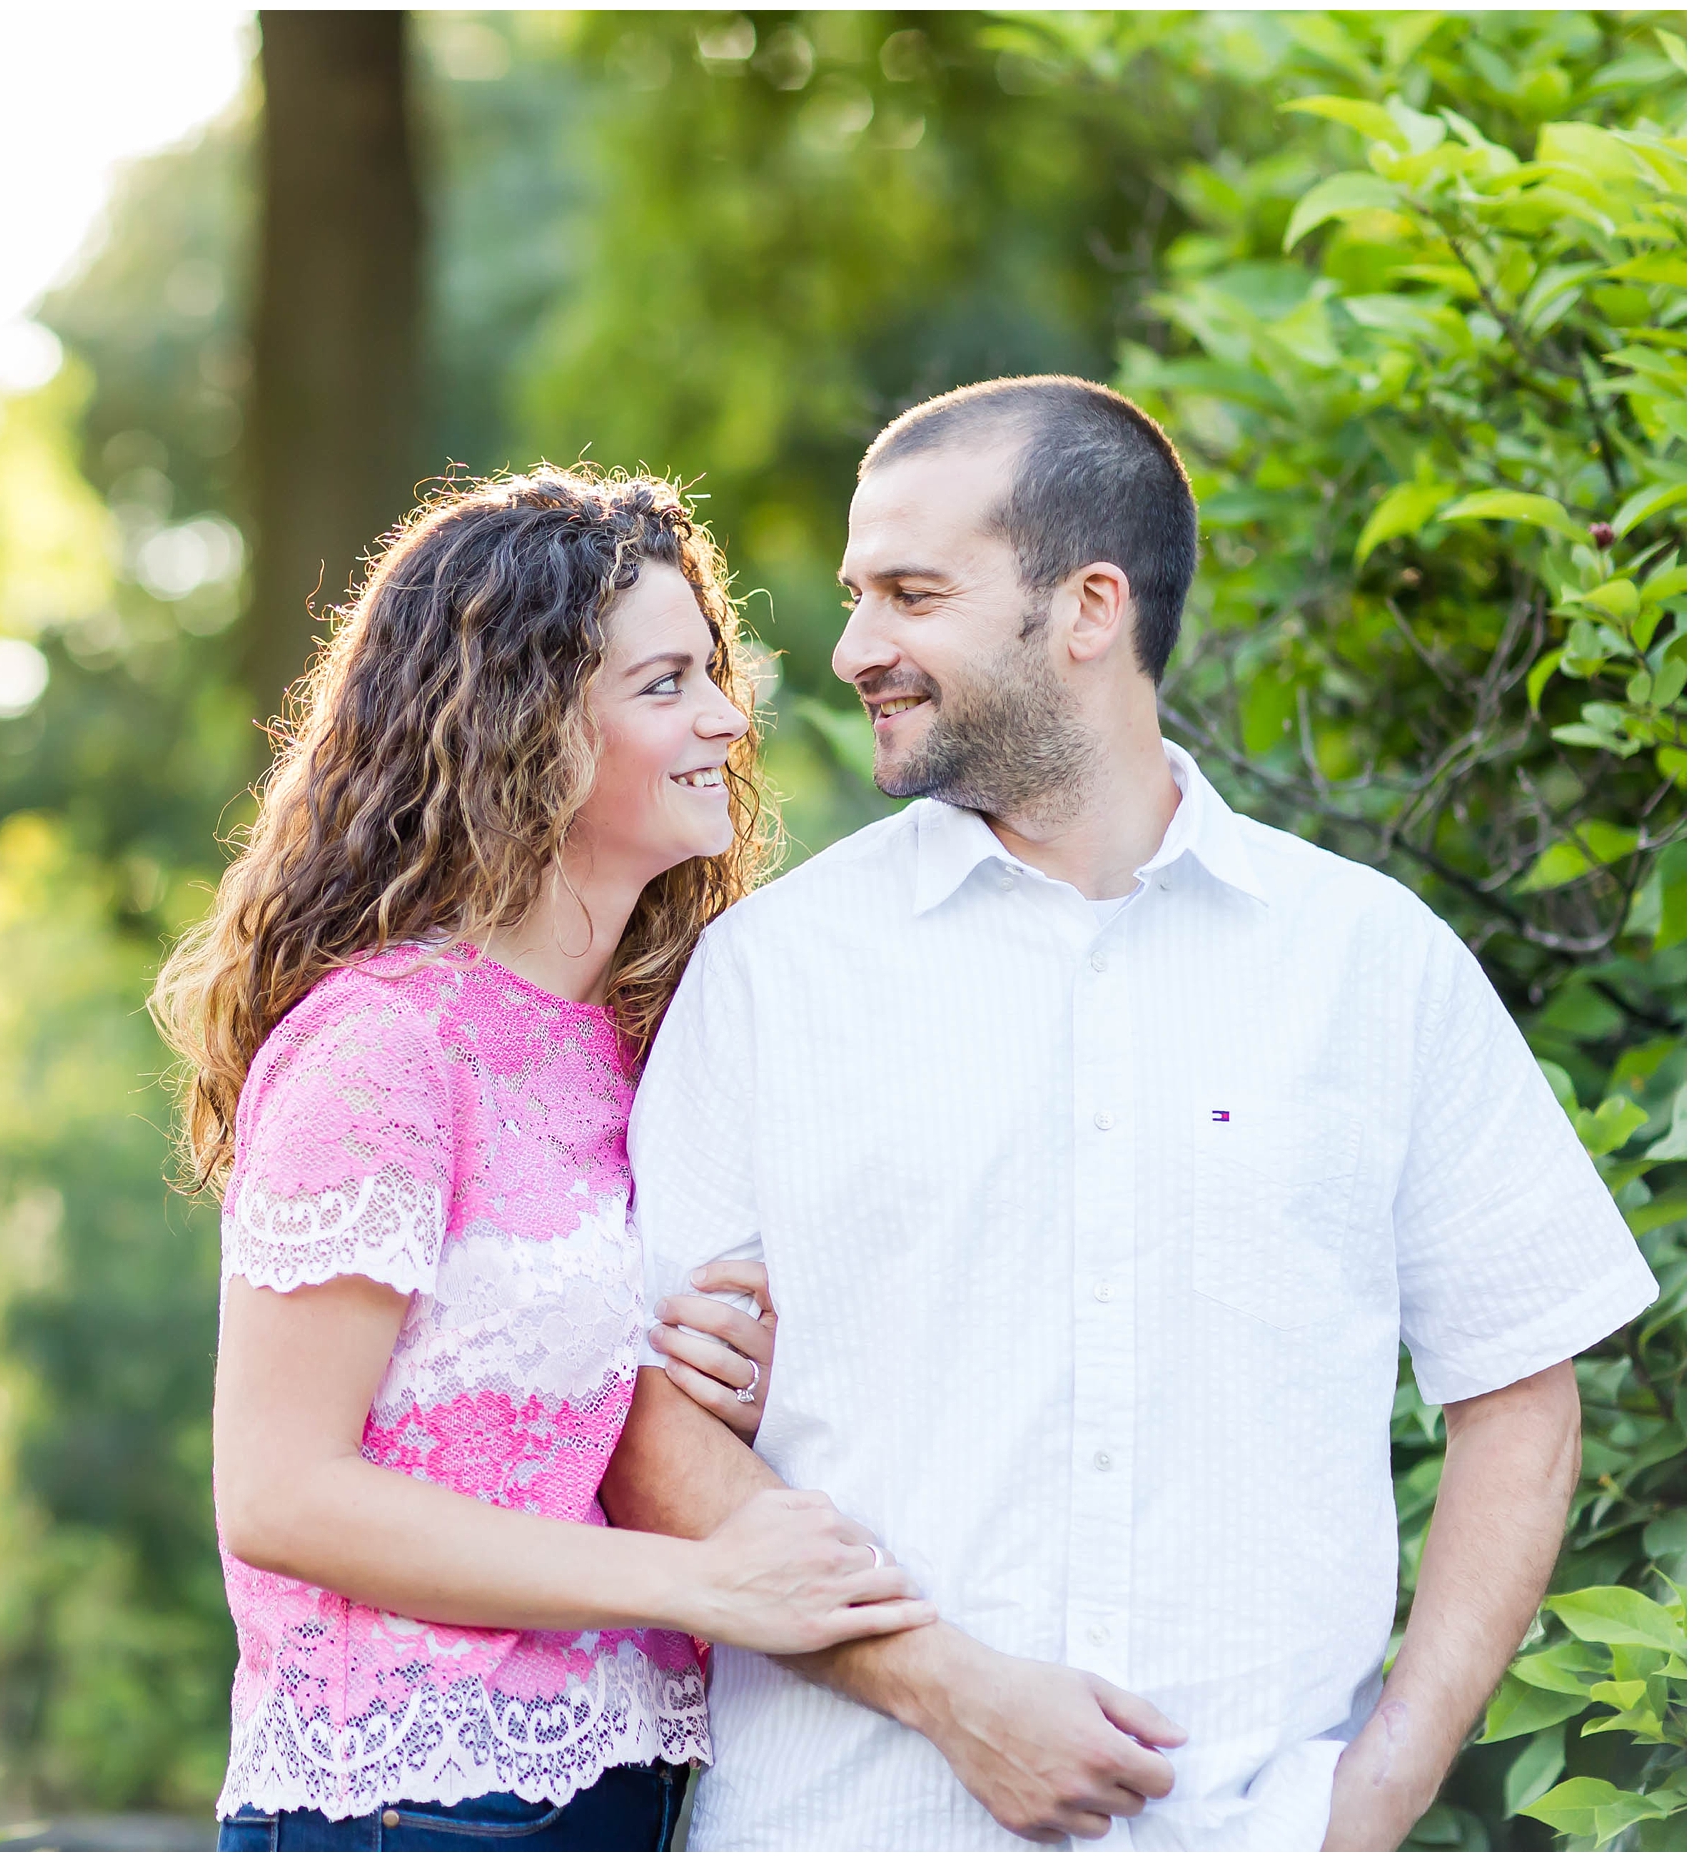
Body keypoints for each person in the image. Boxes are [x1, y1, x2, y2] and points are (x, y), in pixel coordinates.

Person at [609, 375, 1659, 1851]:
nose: (854, 649)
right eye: (858, 594)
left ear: (1089, 606)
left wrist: (1375, 1795)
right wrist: (947, 1691)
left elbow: (1521, 1396)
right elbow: (645, 1428)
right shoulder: (772, 977)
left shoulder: (1370, 963)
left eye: (912, 593)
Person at [154, 468, 938, 1853]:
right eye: (666, 684)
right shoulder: (382, 1049)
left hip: (628, 1785)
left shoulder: (640, 1038)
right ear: (526, 729)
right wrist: (706, 1581)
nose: (726, 717)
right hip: (412, 1804)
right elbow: (279, 1490)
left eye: (714, 671)